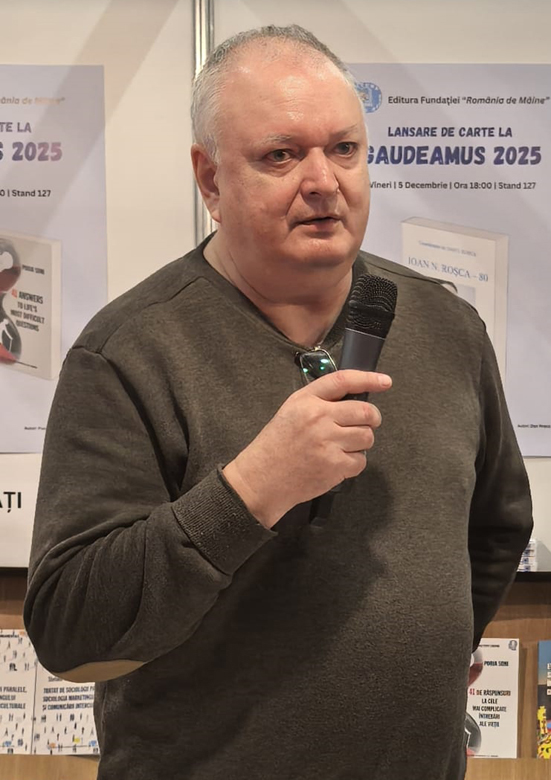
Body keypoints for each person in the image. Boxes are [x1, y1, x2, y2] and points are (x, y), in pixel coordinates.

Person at [24, 24, 532, 780]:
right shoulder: (128, 352)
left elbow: (496, 527)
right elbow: (71, 627)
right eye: (280, 155)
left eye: (344, 149)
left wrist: (436, 650)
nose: (324, 181)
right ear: (209, 181)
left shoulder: (445, 325)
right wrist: (251, 488)